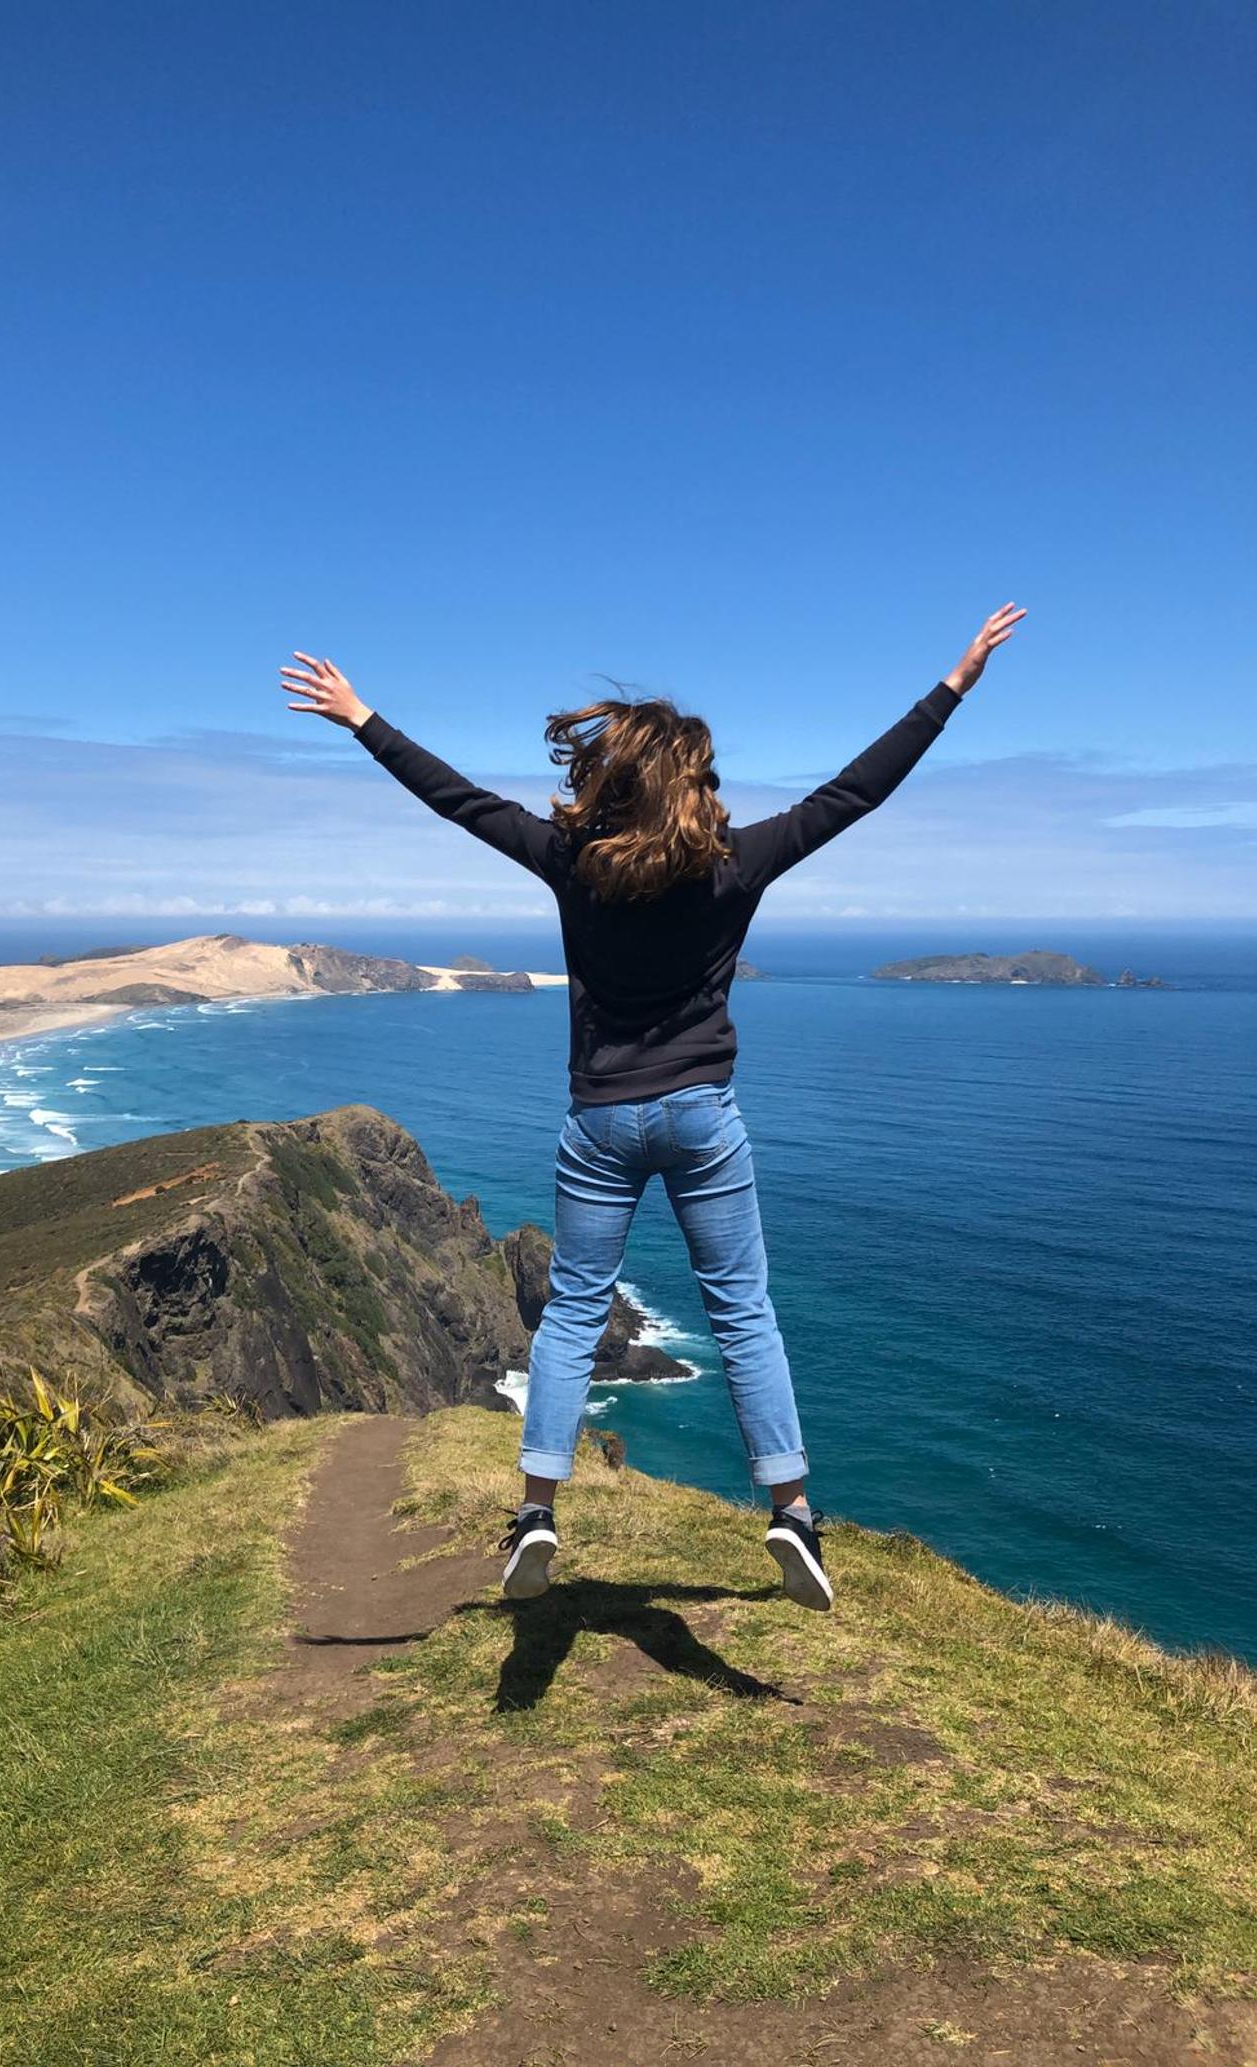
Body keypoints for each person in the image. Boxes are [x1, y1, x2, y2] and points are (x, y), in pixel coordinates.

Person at [279, 604, 1026, 1612]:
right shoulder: (736, 866)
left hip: (599, 1123)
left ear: (614, 781)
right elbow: (853, 792)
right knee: (742, 1311)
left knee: (571, 1313)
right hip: (701, 1118)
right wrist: (952, 688)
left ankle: (536, 1512)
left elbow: (458, 801)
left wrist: (363, 718)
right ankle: (791, 1512)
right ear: (690, 785)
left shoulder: (569, 863)